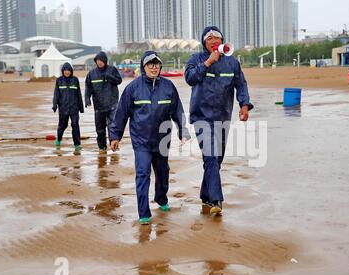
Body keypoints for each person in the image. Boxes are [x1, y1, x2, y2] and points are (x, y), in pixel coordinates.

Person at [110, 51, 191, 226]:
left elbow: (178, 111)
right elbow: (121, 113)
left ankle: (161, 199)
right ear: (143, 66)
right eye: (150, 64)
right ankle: (144, 212)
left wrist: (183, 131)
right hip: (141, 141)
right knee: (142, 173)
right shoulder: (133, 88)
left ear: (160, 66)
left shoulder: (168, 87)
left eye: (157, 64)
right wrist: (115, 135)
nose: (154, 67)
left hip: (162, 140)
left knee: (162, 173)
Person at [185, 26, 254, 216]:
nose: (214, 41)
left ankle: (206, 195)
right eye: (210, 39)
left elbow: (241, 84)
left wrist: (244, 105)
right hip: (201, 117)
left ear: (222, 41)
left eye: (217, 38)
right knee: (211, 156)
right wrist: (208, 62)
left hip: (222, 117)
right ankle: (216, 200)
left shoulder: (232, 63)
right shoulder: (195, 60)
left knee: (216, 160)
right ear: (204, 42)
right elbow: (190, 78)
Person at [85, 51, 123, 153]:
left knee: (113, 126)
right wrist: (87, 99)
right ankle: (102, 148)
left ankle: (113, 144)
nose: (100, 62)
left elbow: (119, 80)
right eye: (98, 61)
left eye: (101, 60)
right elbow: (88, 87)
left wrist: (109, 77)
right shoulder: (91, 74)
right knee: (100, 128)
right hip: (98, 106)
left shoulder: (112, 70)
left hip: (112, 104)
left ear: (105, 61)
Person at [52, 62, 84, 153]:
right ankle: (58, 139)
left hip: (74, 108)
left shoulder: (75, 80)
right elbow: (56, 94)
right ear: (63, 71)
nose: (67, 72)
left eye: (69, 70)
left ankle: (77, 145)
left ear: (71, 71)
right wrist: (55, 105)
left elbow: (78, 94)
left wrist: (81, 108)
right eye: (65, 70)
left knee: (75, 125)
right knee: (62, 125)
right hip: (63, 108)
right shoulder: (59, 80)